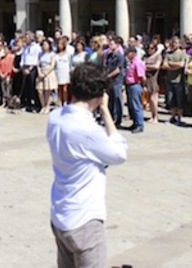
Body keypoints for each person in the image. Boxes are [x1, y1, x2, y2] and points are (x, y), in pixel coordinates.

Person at [46, 63, 128, 268]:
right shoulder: (88, 130)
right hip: (84, 219)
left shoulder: (55, 117)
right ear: (100, 95)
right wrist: (106, 112)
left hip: (61, 212)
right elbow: (119, 154)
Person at [125, 46, 146, 134]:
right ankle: (135, 122)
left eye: (128, 53)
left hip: (135, 85)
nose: (127, 55)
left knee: (137, 105)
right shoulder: (131, 62)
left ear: (133, 53)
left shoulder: (137, 62)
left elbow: (142, 76)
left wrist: (143, 86)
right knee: (132, 106)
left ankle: (140, 125)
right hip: (130, 85)